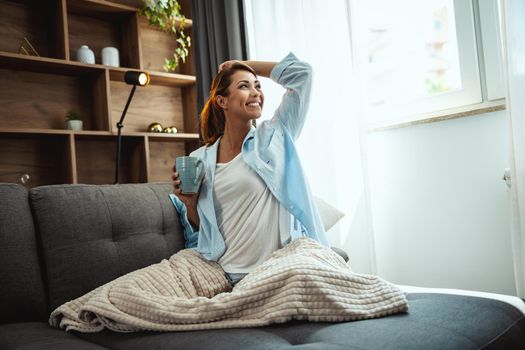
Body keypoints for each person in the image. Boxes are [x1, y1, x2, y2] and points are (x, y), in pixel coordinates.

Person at [170, 52, 328, 286]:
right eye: (245, 86)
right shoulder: (199, 159)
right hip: (229, 274)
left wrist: (244, 66)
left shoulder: (274, 136)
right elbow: (203, 231)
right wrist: (190, 204)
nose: (256, 93)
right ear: (222, 101)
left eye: (258, 86)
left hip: (279, 268)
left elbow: (303, 75)